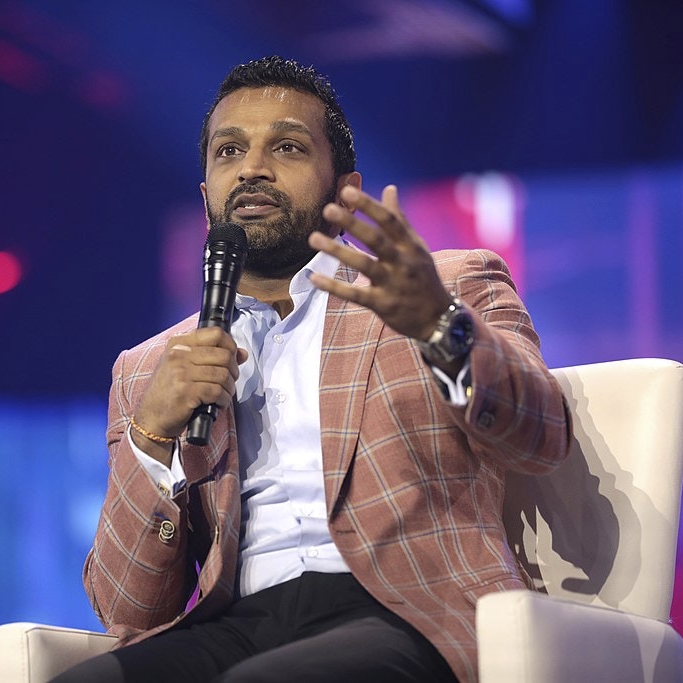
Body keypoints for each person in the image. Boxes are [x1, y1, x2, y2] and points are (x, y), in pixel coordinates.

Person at [68, 56, 571, 683]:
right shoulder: (150, 369)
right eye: (228, 151)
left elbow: (543, 436)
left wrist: (440, 327)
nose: (251, 168)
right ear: (206, 197)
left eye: (286, 146)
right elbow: (129, 609)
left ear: (344, 190)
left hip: (410, 610)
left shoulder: (436, 287)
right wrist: (149, 438)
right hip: (238, 624)